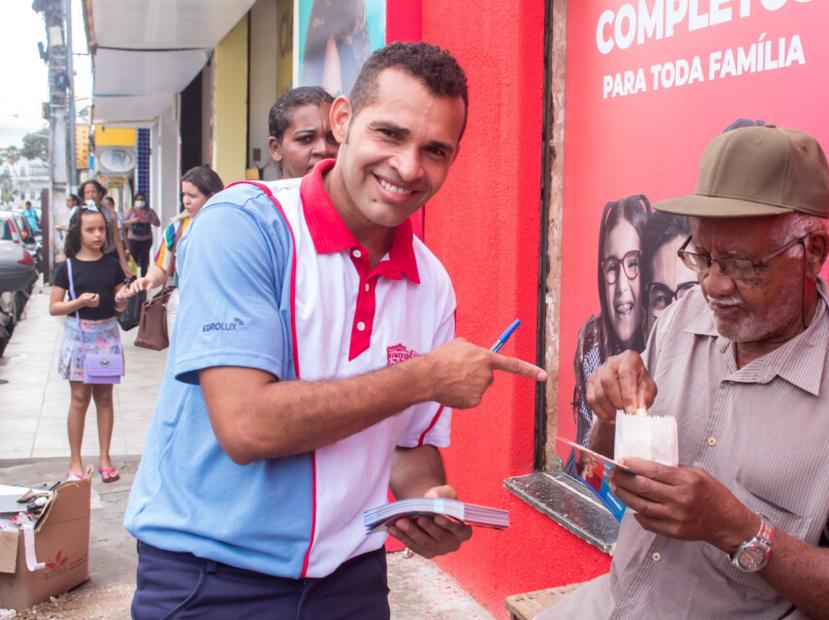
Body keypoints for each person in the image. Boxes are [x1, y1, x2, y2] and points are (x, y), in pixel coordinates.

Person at [125, 42, 547, 618]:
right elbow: (248, 426)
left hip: (351, 581)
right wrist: (423, 376)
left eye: (435, 150)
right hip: (211, 579)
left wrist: (428, 507)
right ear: (343, 120)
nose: (408, 167)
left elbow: (407, 447)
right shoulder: (244, 225)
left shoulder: (432, 284)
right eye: (391, 135)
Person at [543, 125, 829, 618]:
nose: (713, 285)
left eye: (744, 264)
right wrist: (610, 416)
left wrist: (741, 531)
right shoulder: (682, 320)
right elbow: (597, 473)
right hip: (616, 601)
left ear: (813, 253)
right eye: (702, 256)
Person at [48, 204, 138, 483]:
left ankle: (105, 458)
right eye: (90, 229)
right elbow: (54, 307)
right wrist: (79, 302)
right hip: (79, 339)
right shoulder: (67, 267)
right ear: (78, 232)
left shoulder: (111, 264)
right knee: (78, 400)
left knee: (105, 399)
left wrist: (122, 300)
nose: (98, 235)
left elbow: (118, 304)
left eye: (101, 229)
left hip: (107, 337)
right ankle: (75, 460)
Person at [564, 195, 651, 480]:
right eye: (613, 267)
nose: (622, 287)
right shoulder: (592, 345)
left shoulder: (669, 342)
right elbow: (585, 469)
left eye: (634, 264)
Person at [128, 167, 224, 336]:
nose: (186, 201)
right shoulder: (177, 227)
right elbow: (162, 267)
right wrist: (148, 280)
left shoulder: (229, 226)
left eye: (192, 196)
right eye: (183, 195)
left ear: (213, 196)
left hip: (220, 306)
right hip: (183, 305)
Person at [267, 86, 339, 180]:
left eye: (332, 138)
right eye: (306, 139)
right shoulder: (251, 194)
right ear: (275, 149)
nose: (324, 149)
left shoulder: (357, 194)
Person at [78, 180, 132, 277]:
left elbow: (117, 239)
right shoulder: (79, 213)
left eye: (94, 191)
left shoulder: (109, 212)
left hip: (108, 254)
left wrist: (124, 263)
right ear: (83, 195)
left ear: (99, 193)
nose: (91, 195)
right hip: (87, 257)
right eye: (87, 192)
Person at [124, 192, 160, 276]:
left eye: (142, 200)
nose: (140, 201)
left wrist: (148, 220)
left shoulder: (150, 211)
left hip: (146, 239)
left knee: (145, 260)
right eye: (138, 199)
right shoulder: (131, 210)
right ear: (135, 200)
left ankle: (144, 279)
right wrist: (133, 220)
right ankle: (132, 280)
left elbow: (158, 223)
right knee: (132, 260)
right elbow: (123, 223)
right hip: (133, 239)